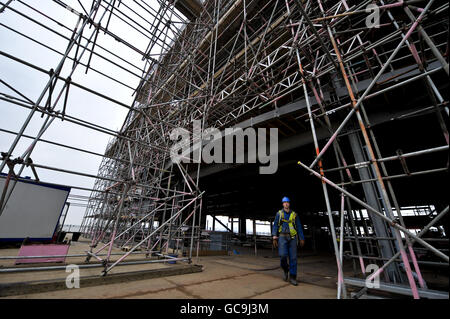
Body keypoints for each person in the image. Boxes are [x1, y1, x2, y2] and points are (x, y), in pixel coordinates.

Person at [272, 196, 305, 286]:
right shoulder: (279, 214)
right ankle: (286, 269)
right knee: (283, 256)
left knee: (293, 258)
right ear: (283, 204)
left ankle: (293, 277)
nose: (286, 204)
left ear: (289, 204)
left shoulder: (294, 215)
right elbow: (275, 225)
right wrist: (274, 236)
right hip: (282, 237)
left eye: (287, 202)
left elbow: (298, 226)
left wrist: (302, 238)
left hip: (292, 238)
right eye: (284, 202)